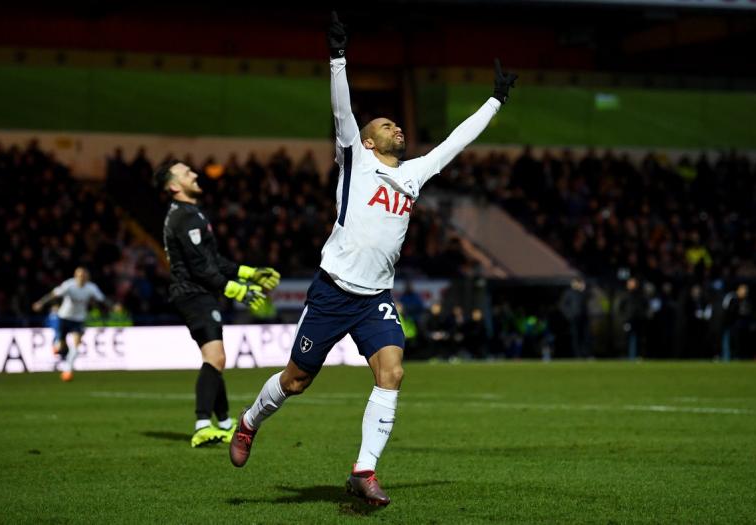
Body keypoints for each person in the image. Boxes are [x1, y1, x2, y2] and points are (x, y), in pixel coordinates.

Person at [229, 11, 517, 506]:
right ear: (367, 140)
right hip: (332, 292)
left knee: (393, 373)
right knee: (296, 380)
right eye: (387, 125)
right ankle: (251, 420)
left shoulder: (413, 174)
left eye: (397, 123)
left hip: (375, 300)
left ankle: (364, 470)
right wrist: (338, 57)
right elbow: (342, 111)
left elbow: (456, 142)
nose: (397, 127)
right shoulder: (355, 160)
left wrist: (494, 100)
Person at [153, 160, 281, 448]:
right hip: (193, 292)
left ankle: (223, 423)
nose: (195, 174)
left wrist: (250, 273)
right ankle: (202, 425)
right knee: (215, 359)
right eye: (187, 173)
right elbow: (201, 268)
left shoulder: (189, 213)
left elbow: (214, 261)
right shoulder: (184, 218)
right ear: (174, 186)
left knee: (216, 358)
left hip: (198, 291)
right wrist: (238, 290)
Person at [32, 267, 112, 381]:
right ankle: (57, 344)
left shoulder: (91, 288)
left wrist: (113, 306)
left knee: (76, 345)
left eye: (84, 276)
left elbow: (102, 298)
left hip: (78, 319)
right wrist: (41, 303)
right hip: (64, 318)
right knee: (60, 346)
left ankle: (68, 370)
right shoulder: (69, 285)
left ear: (87, 277)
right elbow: (54, 294)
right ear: (75, 276)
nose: (81, 278)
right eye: (79, 275)